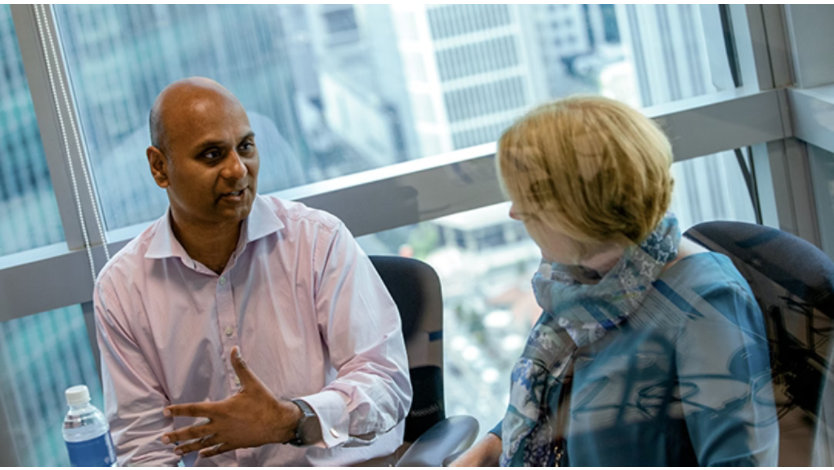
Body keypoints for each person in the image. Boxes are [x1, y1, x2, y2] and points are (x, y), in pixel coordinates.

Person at [93, 77, 412, 466]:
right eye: (212, 155)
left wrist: (292, 419)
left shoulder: (317, 240)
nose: (237, 170)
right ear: (160, 168)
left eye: (245, 147)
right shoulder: (122, 289)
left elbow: (386, 383)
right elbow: (143, 448)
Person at [450, 96, 779, 466]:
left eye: (527, 199)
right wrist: (487, 450)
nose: (514, 212)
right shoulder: (582, 282)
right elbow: (551, 399)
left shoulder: (703, 305)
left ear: (577, 210)